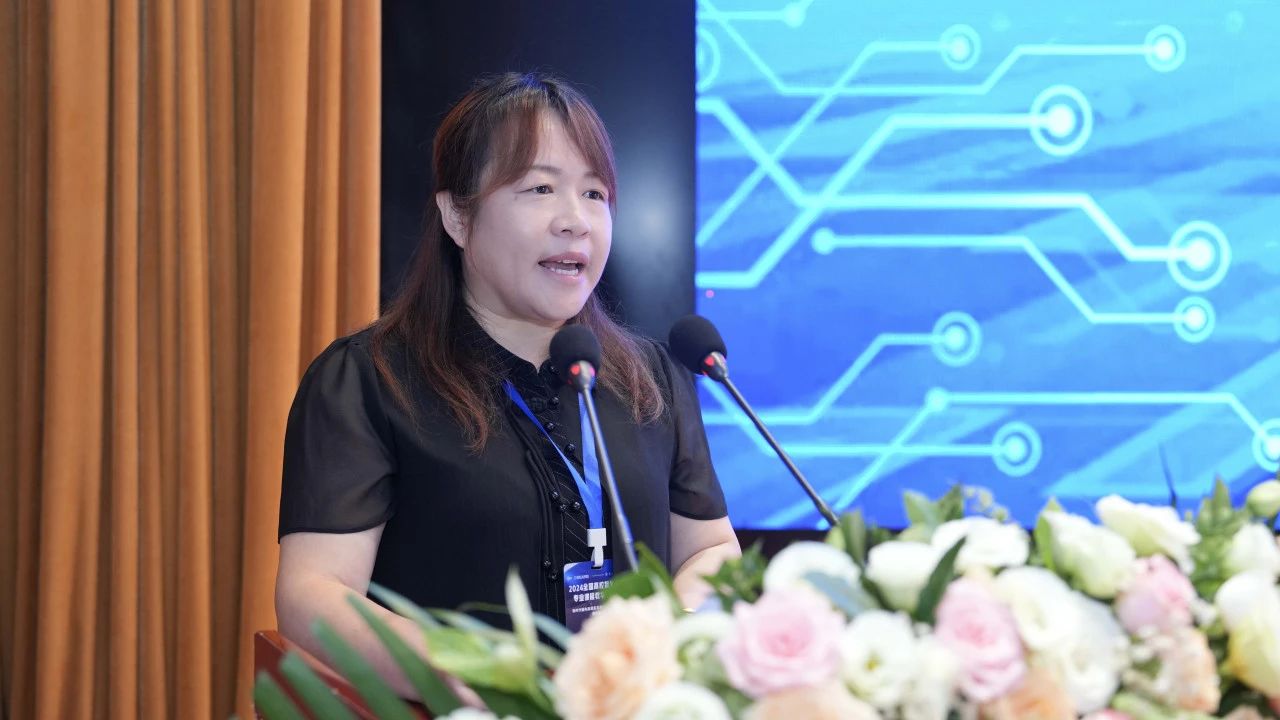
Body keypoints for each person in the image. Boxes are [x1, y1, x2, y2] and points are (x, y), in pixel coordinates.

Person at [274, 72, 740, 697]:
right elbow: (313, 594)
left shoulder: (650, 380)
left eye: (595, 193)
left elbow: (710, 548)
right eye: (540, 188)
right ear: (458, 216)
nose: (575, 220)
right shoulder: (370, 380)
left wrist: (667, 645)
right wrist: (477, 676)